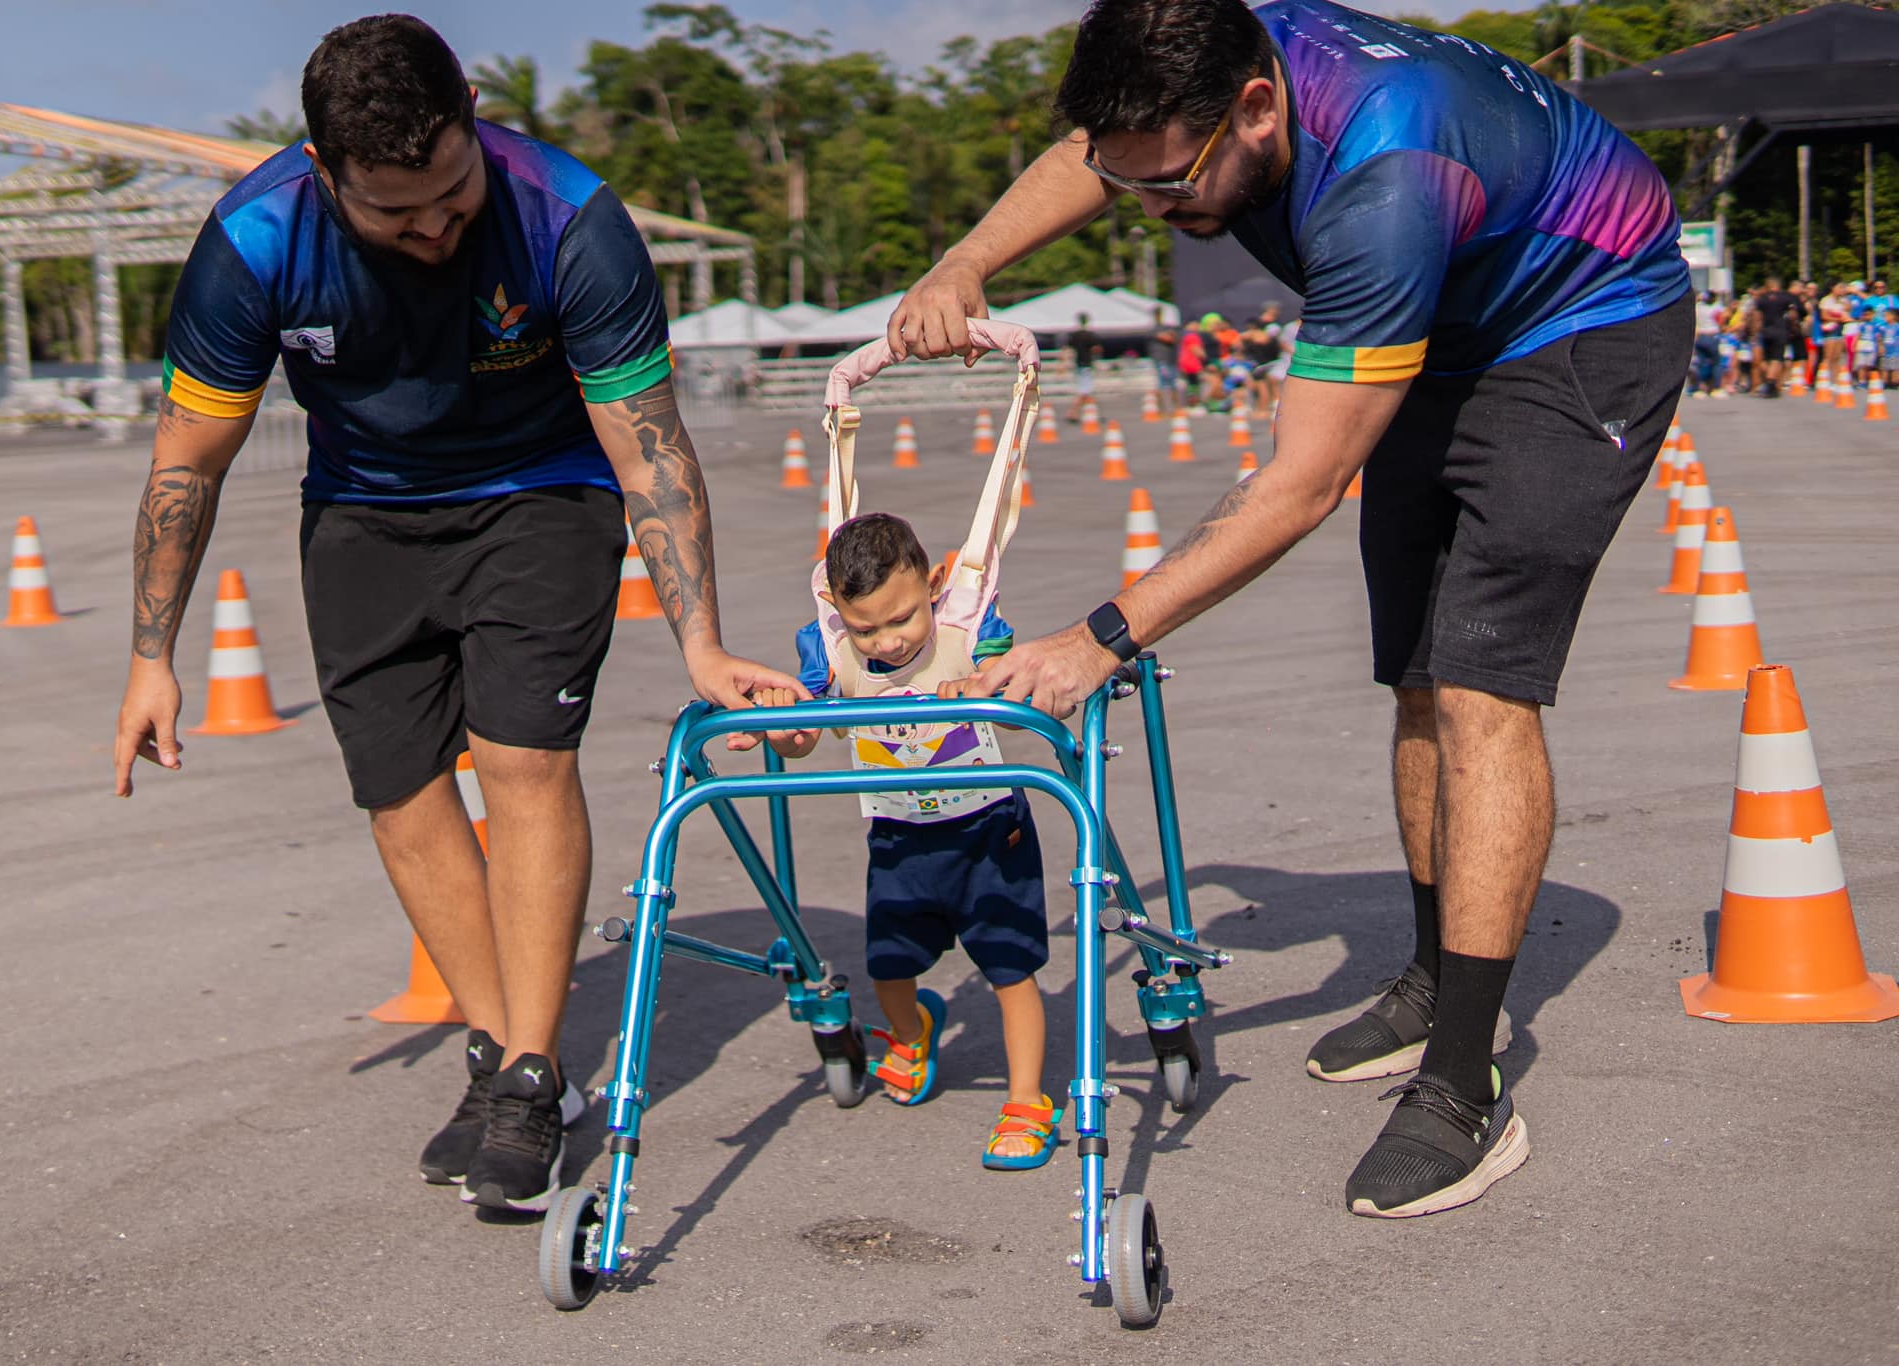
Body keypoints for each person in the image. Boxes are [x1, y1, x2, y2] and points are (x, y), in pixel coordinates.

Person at [887, 0, 1691, 1218]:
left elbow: (1296, 486)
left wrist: (1099, 638)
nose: (1155, 212)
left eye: (1174, 186)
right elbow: (1095, 154)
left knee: (1480, 684)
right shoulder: (1203, 51)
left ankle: (1465, 1084)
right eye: (1133, 185)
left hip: (1580, 325)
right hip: (1448, 324)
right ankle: (1432, 969)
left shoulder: (1385, 180)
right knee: (1414, 674)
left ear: (1257, 108)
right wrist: (962, 262)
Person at [111, 15, 801, 1216]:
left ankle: (537, 1075)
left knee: (521, 757)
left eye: (449, 192)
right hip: (364, 513)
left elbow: (648, 455)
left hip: (539, 492)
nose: (433, 227)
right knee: (397, 785)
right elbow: (187, 466)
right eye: (395, 213)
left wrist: (698, 641)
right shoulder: (255, 239)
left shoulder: (567, 220)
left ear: (474, 111)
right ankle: (493, 1055)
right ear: (324, 170)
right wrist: (150, 657)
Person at [752, 514, 1061, 1170]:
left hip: (986, 832)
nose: (888, 642)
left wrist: (978, 686)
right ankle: (914, 1030)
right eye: (866, 627)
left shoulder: (964, 637)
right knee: (889, 963)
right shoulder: (833, 655)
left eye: (902, 619)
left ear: (935, 585)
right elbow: (804, 735)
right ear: (837, 612)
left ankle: (1029, 1098)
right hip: (898, 835)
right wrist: (776, 727)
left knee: (1010, 968)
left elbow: (1005, 674)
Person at [1751, 276, 1799, 397]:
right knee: (1777, 359)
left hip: (1766, 331)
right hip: (1780, 330)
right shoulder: (1786, 297)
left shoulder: (1761, 299)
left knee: (1765, 359)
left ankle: (1769, 382)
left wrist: (1755, 332)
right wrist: (1793, 326)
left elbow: (1757, 317)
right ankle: (1771, 383)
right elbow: (1793, 315)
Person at [1149, 306, 1183, 412]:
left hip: (1171, 360)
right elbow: (1167, 338)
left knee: (1173, 384)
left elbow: (1176, 338)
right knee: (1163, 384)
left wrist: (1171, 335)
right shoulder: (1153, 329)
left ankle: (1177, 408)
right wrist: (1170, 335)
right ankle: (1162, 409)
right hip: (1161, 360)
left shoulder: (1167, 327)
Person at [1690, 290, 1722, 397]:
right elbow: (1721, 321)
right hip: (1712, 335)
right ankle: (1715, 388)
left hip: (1701, 336)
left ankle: (1700, 387)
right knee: (1716, 363)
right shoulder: (1717, 307)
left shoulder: (1698, 307)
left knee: (1701, 363)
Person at [1068, 312, 1102, 397]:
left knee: (1081, 379)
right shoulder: (1090, 335)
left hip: (1079, 360)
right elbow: (1096, 348)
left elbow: (1069, 346)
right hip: (1087, 360)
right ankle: (1085, 394)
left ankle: (1083, 393)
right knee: (1086, 379)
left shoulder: (1075, 335)